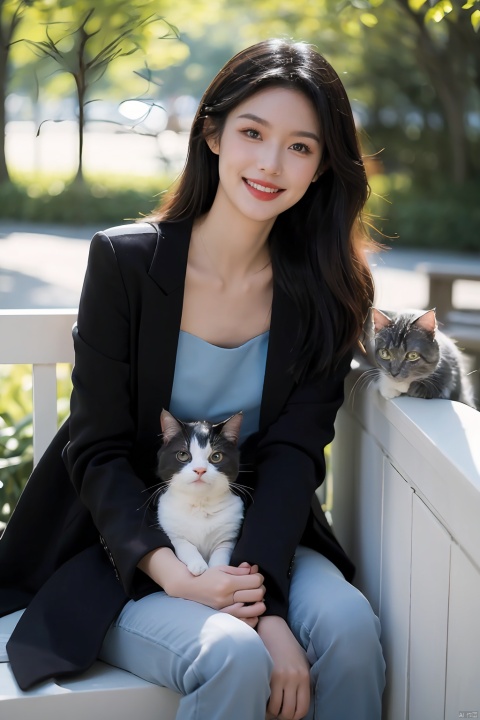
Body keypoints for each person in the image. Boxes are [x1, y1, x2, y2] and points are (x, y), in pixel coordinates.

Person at [0, 38, 385, 719]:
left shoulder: (330, 289)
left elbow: (296, 454)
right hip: (124, 554)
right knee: (228, 654)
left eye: (301, 146)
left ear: (325, 166)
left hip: (260, 536)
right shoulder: (125, 263)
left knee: (350, 636)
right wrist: (178, 576)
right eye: (252, 133)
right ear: (211, 133)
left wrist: (260, 602)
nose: (270, 163)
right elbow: (95, 446)